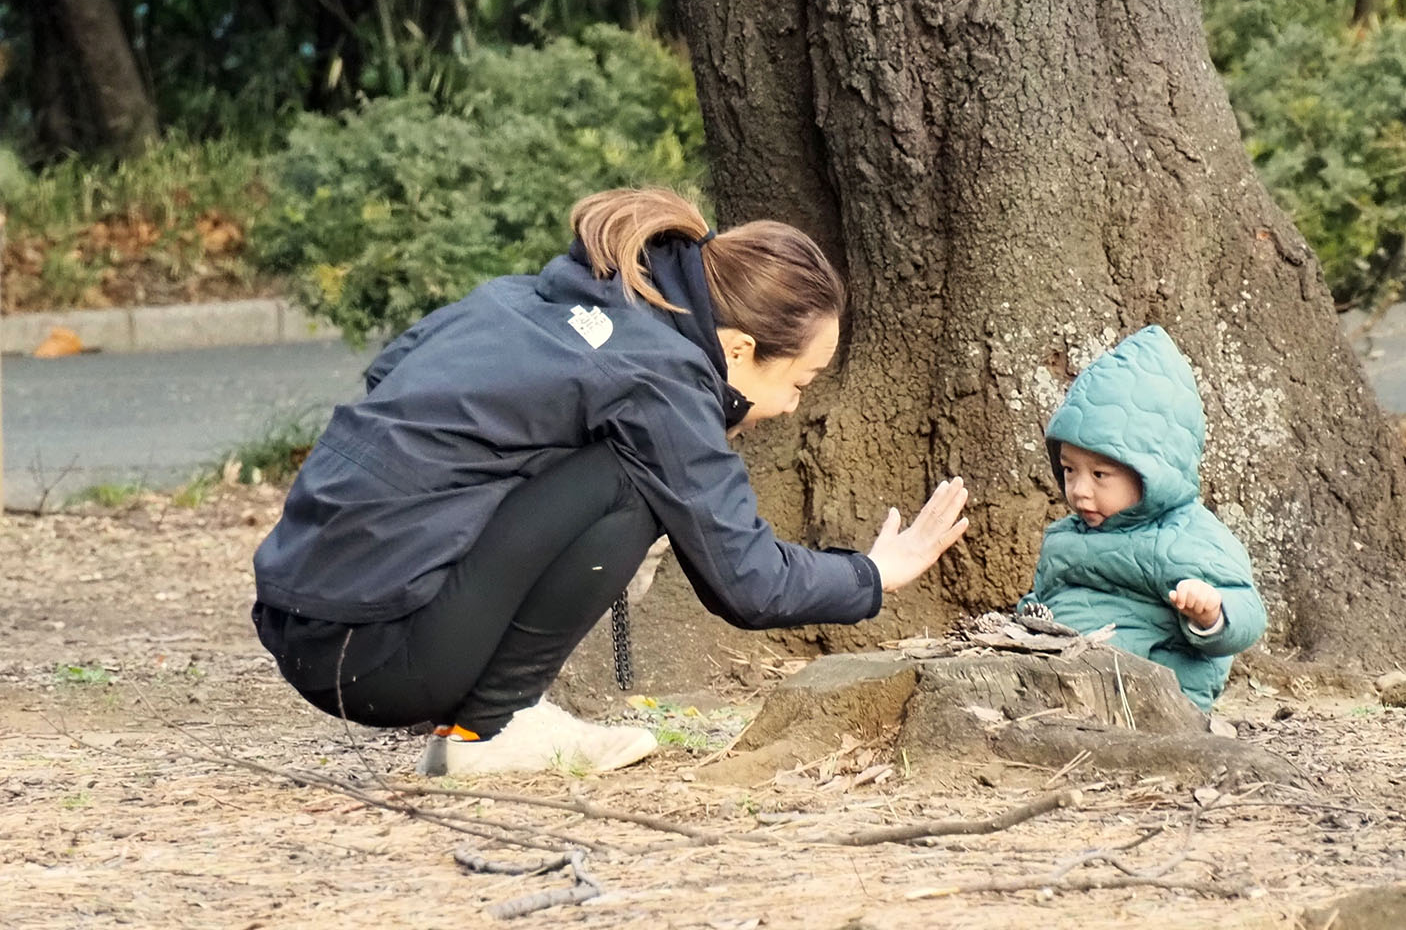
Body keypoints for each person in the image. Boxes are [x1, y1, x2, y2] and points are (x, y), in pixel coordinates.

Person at [251, 188, 970, 775]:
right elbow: (746, 582)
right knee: (632, 475)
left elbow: (391, 374)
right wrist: (874, 574)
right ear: (740, 349)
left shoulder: (543, 302)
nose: (792, 406)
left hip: (301, 618)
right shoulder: (657, 376)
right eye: (799, 380)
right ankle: (494, 726)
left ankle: (492, 718)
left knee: (612, 459)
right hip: (376, 659)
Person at [1017, 325, 1265, 712]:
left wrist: (1211, 613)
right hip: (1066, 673)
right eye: (1069, 470)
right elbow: (1047, 594)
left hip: (1150, 697)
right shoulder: (1065, 536)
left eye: (1100, 475)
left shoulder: (1185, 536)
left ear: (1152, 472)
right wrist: (1028, 616)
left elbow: (1248, 611)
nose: (1080, 490)